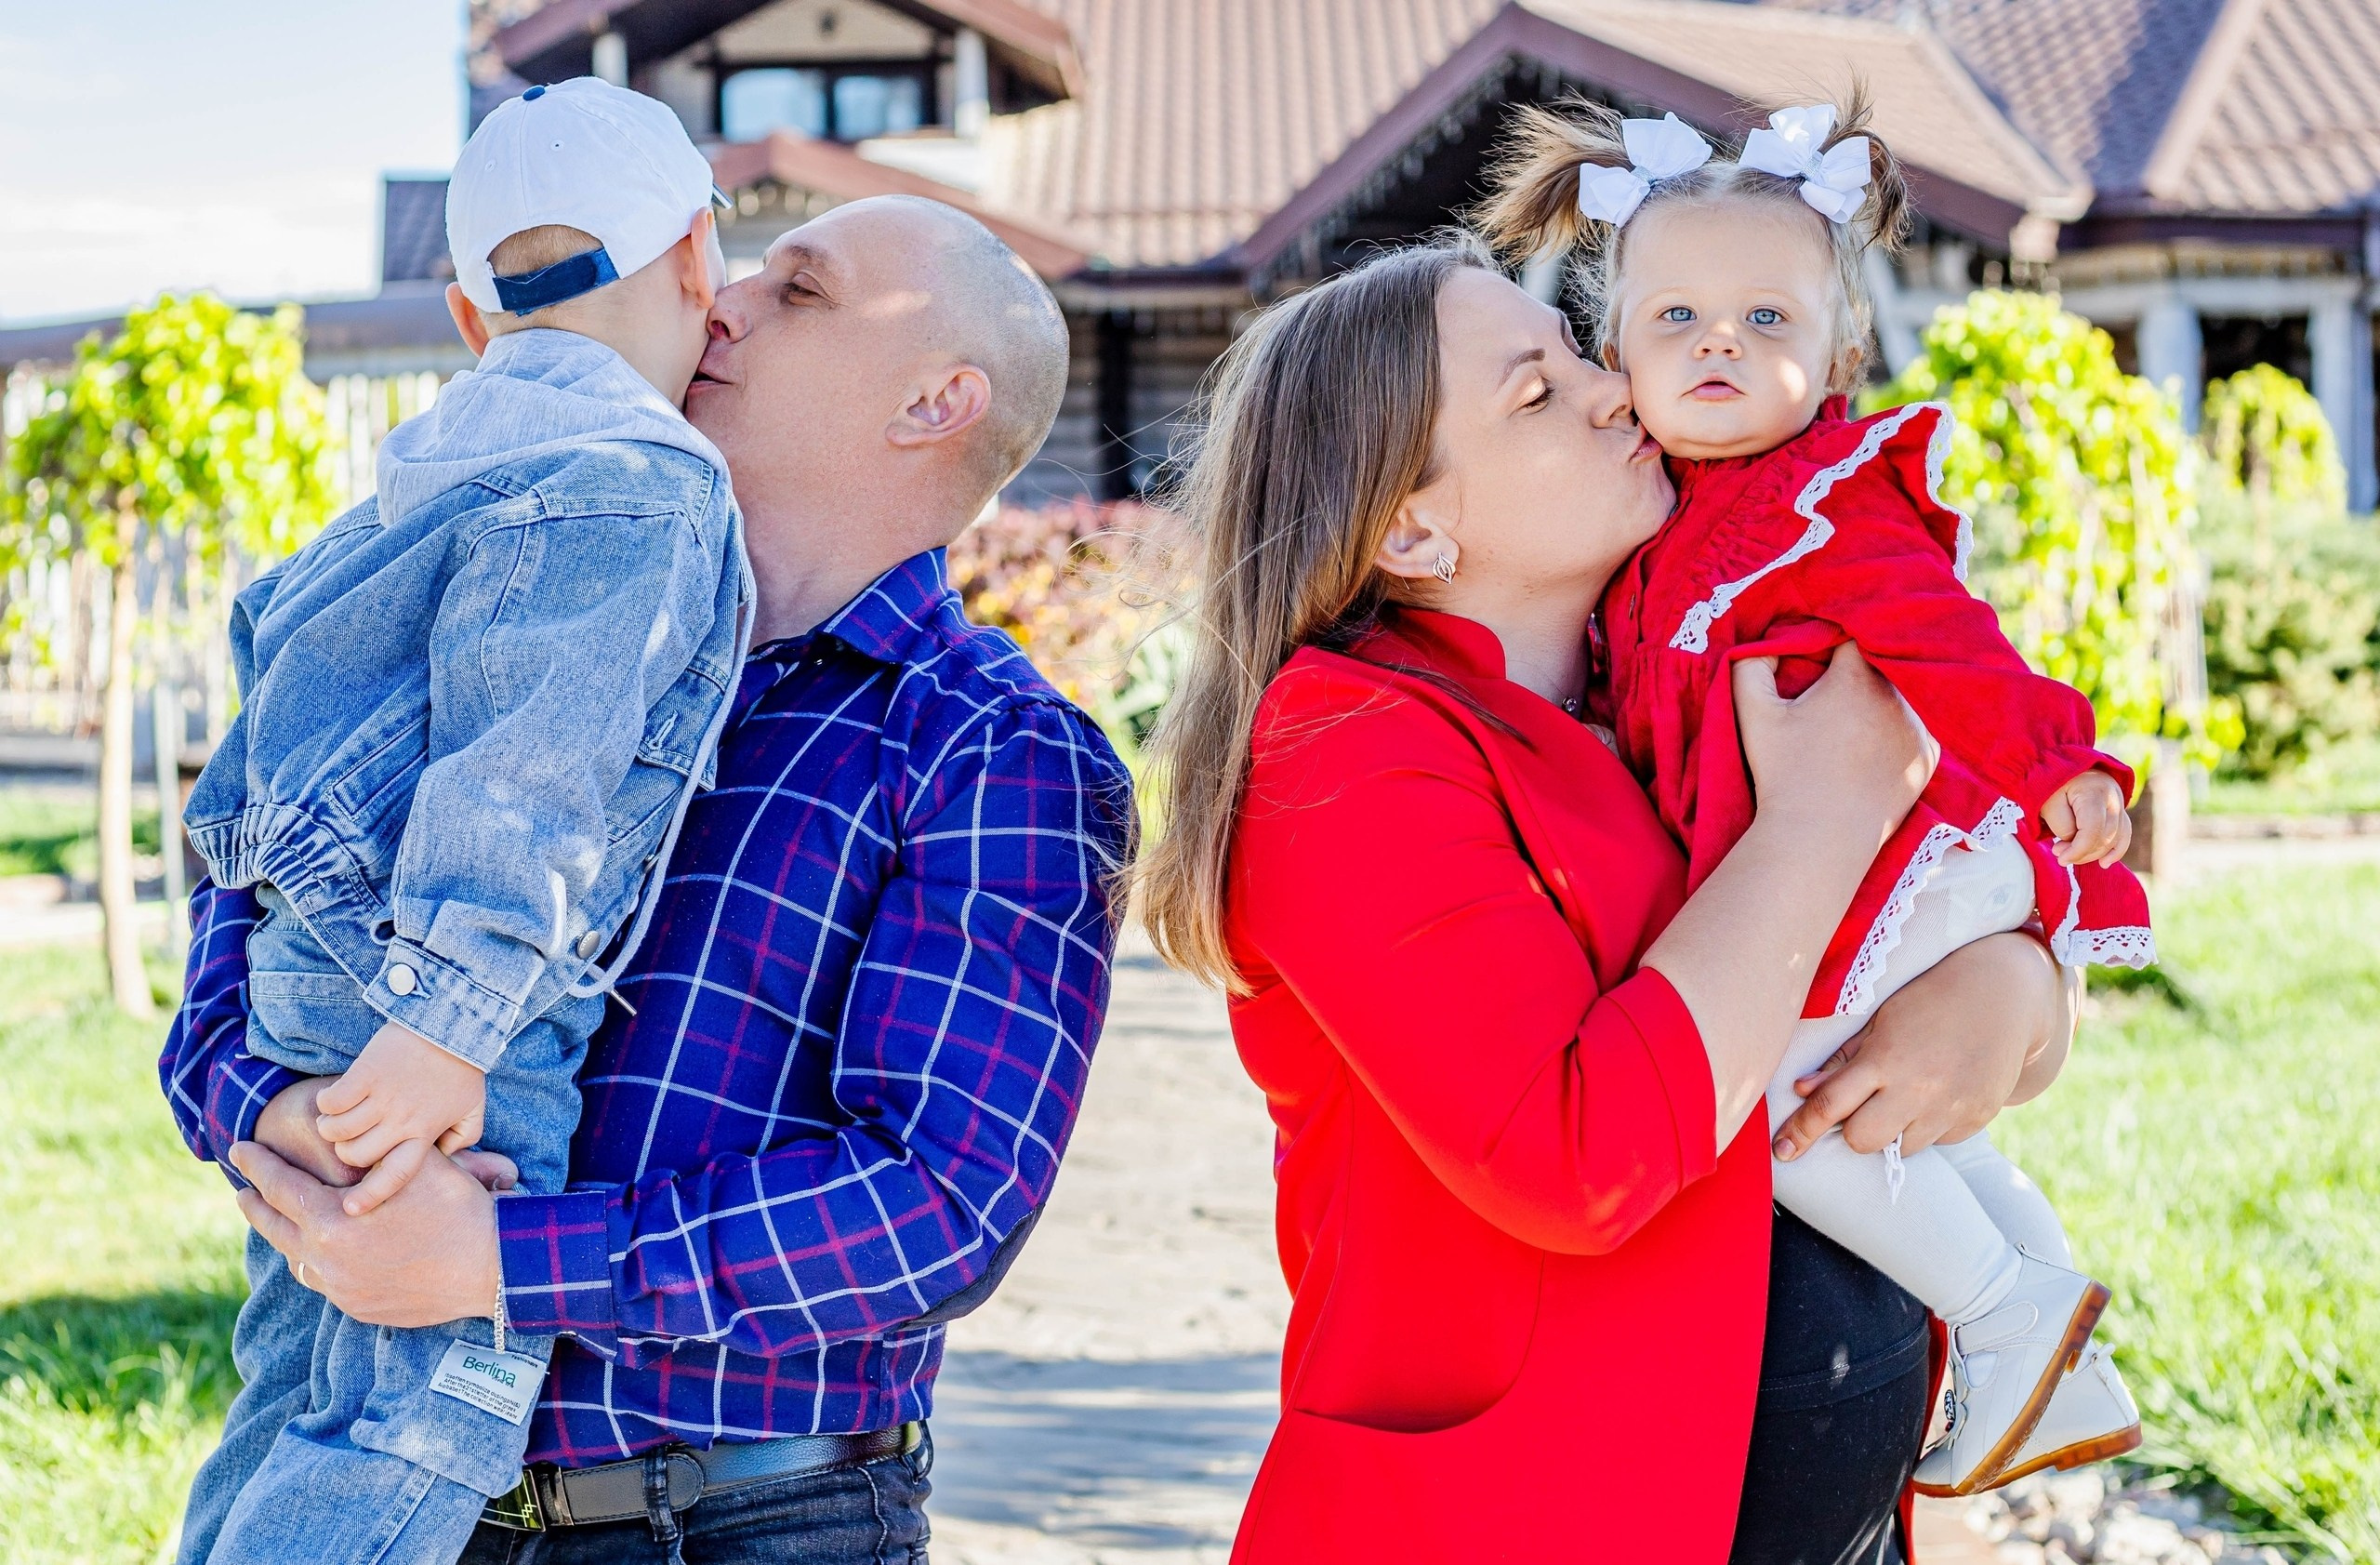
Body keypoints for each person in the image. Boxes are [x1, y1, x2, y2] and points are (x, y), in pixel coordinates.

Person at [162, 193, 1134, 1565]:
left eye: (797, 291)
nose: (715, 302)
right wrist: (286, 1111)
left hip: (745, 1522)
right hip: (381, 1491)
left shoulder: (993, 746)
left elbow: (941, 1207)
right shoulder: (504, 631)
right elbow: (240, 911)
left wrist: (499, 1262)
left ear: (937, 401)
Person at [1132, 239, 2079, 1564]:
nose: (1613, 390)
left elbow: (1904, 948)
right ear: (1410, 523)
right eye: (1534, 392)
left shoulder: (1662, 689)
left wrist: (2022, 992)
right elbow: (1578, 1156)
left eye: (1580, 349)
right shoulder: (1341, 748)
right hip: (1529, 1518)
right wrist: (1822, 817)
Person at [1474, 94, 2147, 1494]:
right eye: (1679, 322)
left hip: (1903, 853)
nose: (1720, 343)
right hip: (1843, 852)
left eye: (1767, 322)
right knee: (1866, 1101)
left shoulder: (1823, 503)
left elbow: (1948, 639)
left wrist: (2060, 761)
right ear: (1617, 360)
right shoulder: (1664, 517)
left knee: (1775, 1109)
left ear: (1840, 356)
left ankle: (2007, 1314)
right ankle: (2057, 1327)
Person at [178, 77, 750, 1565]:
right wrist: (449, 1022)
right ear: (700, 260)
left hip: (309, 978)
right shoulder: (639, 483)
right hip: (449, 1019)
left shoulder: (399, 491)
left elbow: (262, 728)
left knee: (298, 1386)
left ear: (464, 313)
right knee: (408, 1430)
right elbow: (530, 776)